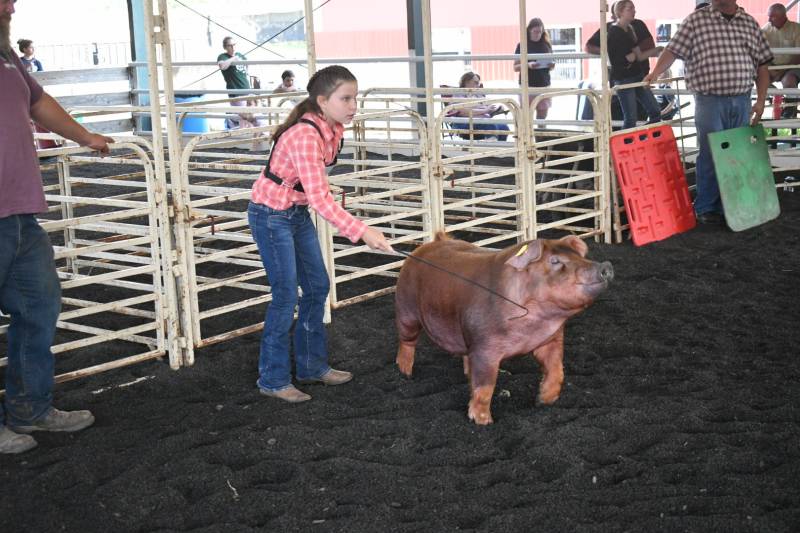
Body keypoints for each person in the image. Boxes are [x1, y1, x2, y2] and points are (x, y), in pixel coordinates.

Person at [1, 0, 113, 454]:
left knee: (39, 309)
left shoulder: (8, 57)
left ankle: (31, 408)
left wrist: (84, 136)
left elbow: (37, 101)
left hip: (22, 210)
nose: (11, 6)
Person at [248, 65, 394, 403]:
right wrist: (363, 232)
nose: (353, 105)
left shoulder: (334, 129)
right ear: (322, 101)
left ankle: (312, 366)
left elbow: (312, 195)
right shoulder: (304, 135)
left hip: (294, 213)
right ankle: (272, 379)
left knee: (316, 286)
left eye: (354, 98)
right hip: (271, 215)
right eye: (345, 98)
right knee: (285, 296)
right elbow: (319, 197)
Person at [644, 0, 772, 224]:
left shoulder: (751, 23)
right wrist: (655, 72)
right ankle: (706, 206)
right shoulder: (696, 20)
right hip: (709, 99)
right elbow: (672, 50)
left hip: (742, 98)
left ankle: (733, 205)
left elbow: (762, 66)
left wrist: (760, 102)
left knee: (738, 154)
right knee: (712, 151)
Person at [602, 1, 663, 129]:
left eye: (633, 9)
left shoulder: (629, 30)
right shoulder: (614, 32)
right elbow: (621, 59)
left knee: (654, 111)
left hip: (635, 75)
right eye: (630, 9)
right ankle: (627, 144)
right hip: (624, 78)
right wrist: (631, 57)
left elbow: (637, 56)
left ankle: (641, 138)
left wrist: (657, 50)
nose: (634, 11)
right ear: (620, 12)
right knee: (631, 118)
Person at [445, 71, 510, 141]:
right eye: (476, 83)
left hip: (483, 122)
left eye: (478, 83)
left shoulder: (478, 94)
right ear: (467, 82)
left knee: (504, 127)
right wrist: (485, 110)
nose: (478, 85)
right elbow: (462, 112)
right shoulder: (458, 94)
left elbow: (488, 109)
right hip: (466, 123)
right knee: (490, 125)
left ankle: (498, 149)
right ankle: (490, 149)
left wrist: (496, 110)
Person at [762, 2, 800, 117]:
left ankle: (790, 108)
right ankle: (776, 96)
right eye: (768, 16)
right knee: (759, 76)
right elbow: (761, 53)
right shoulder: (765, 29)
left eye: (772, 16)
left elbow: (798, 56)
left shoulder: (796, 28)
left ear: (783, 16)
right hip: (772, 65)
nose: (769, 20)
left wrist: (782, 71)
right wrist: (772, 69)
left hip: (792, 67)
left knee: (789, 80)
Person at [216, 36, 263, 129]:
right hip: (236, 92)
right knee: (244, 117)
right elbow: (222, 66)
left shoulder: (241, 56)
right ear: (225, 47)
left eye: (234, 45)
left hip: (247, 90)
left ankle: (257, 134)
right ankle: (248, 135)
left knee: (253, 112)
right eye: (229, 46)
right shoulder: (223, 56)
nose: (233, 47)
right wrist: (233, 59)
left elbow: (247, 69)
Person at [513, 18, 554, 120]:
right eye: (535, 32)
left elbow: (551, 64)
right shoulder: (522, 45)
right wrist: (528, 65)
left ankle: (540, 135)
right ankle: (526, 135)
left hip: (544, 84)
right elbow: (515, 67)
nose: (538, 34)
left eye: (540, 32)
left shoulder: (546, 45)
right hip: (527, 85)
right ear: (529, 30)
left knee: (542, 116)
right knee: (526, 117)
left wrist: (551, 65)